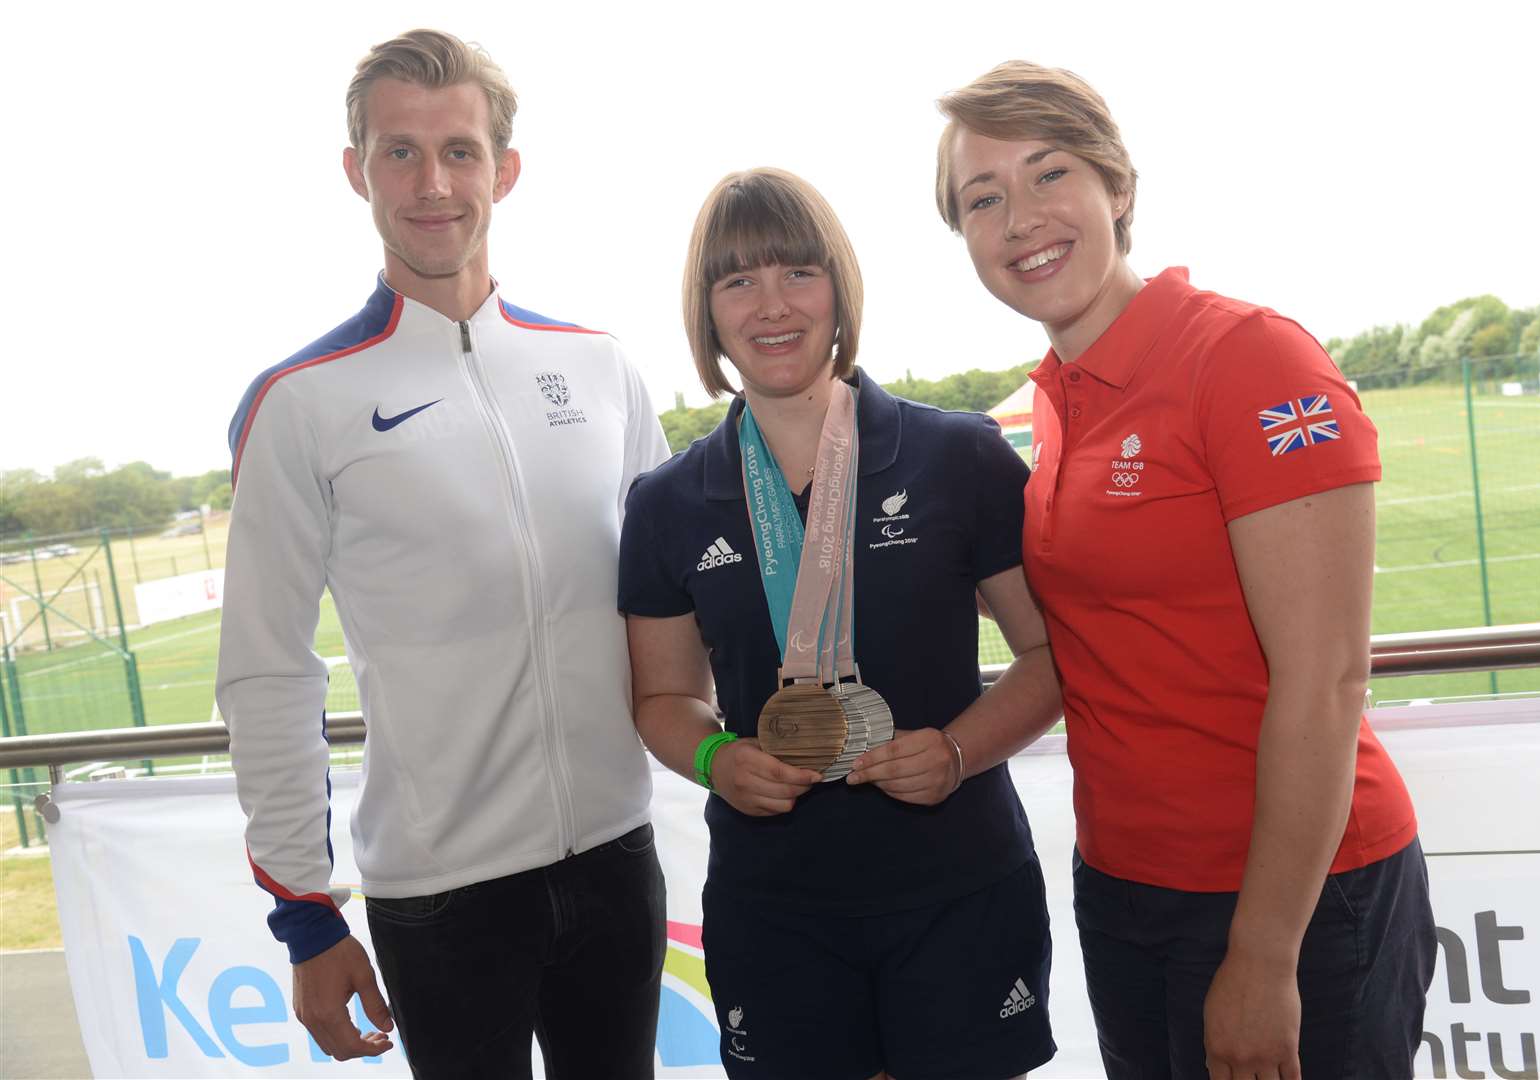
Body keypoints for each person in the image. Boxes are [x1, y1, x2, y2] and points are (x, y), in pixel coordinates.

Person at [933, 61, 1439, 1079]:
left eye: (1049, 174)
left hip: (1287, 901)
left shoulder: (1247, 357)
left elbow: (1327, 678)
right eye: (982, 198)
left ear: (1116, 189)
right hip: (1125, 888)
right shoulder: (1054, 399)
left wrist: (1262, 954)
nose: (1020, 217)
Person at [216, 29, 670, 1079]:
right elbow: (267, 670)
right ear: (355, 171)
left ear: (503, 171)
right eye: (399, 152)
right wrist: (306, 914)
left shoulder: (599, 367)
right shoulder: (301, 402)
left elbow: (670, 609)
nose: (433, 184)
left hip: (617, 860)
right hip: (443, 895)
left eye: (460, 151)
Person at [618, 168, 1061, 1080]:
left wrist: (957, 752)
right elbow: (663, 697)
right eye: (738, 280)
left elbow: (1053, 658)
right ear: (707, 313)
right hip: (775, 906)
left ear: (838, 289)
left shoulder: (958, 456)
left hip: (958, 889)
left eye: (797, 273)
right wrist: (714, 759)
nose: (772, 305)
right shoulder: (668, 502)